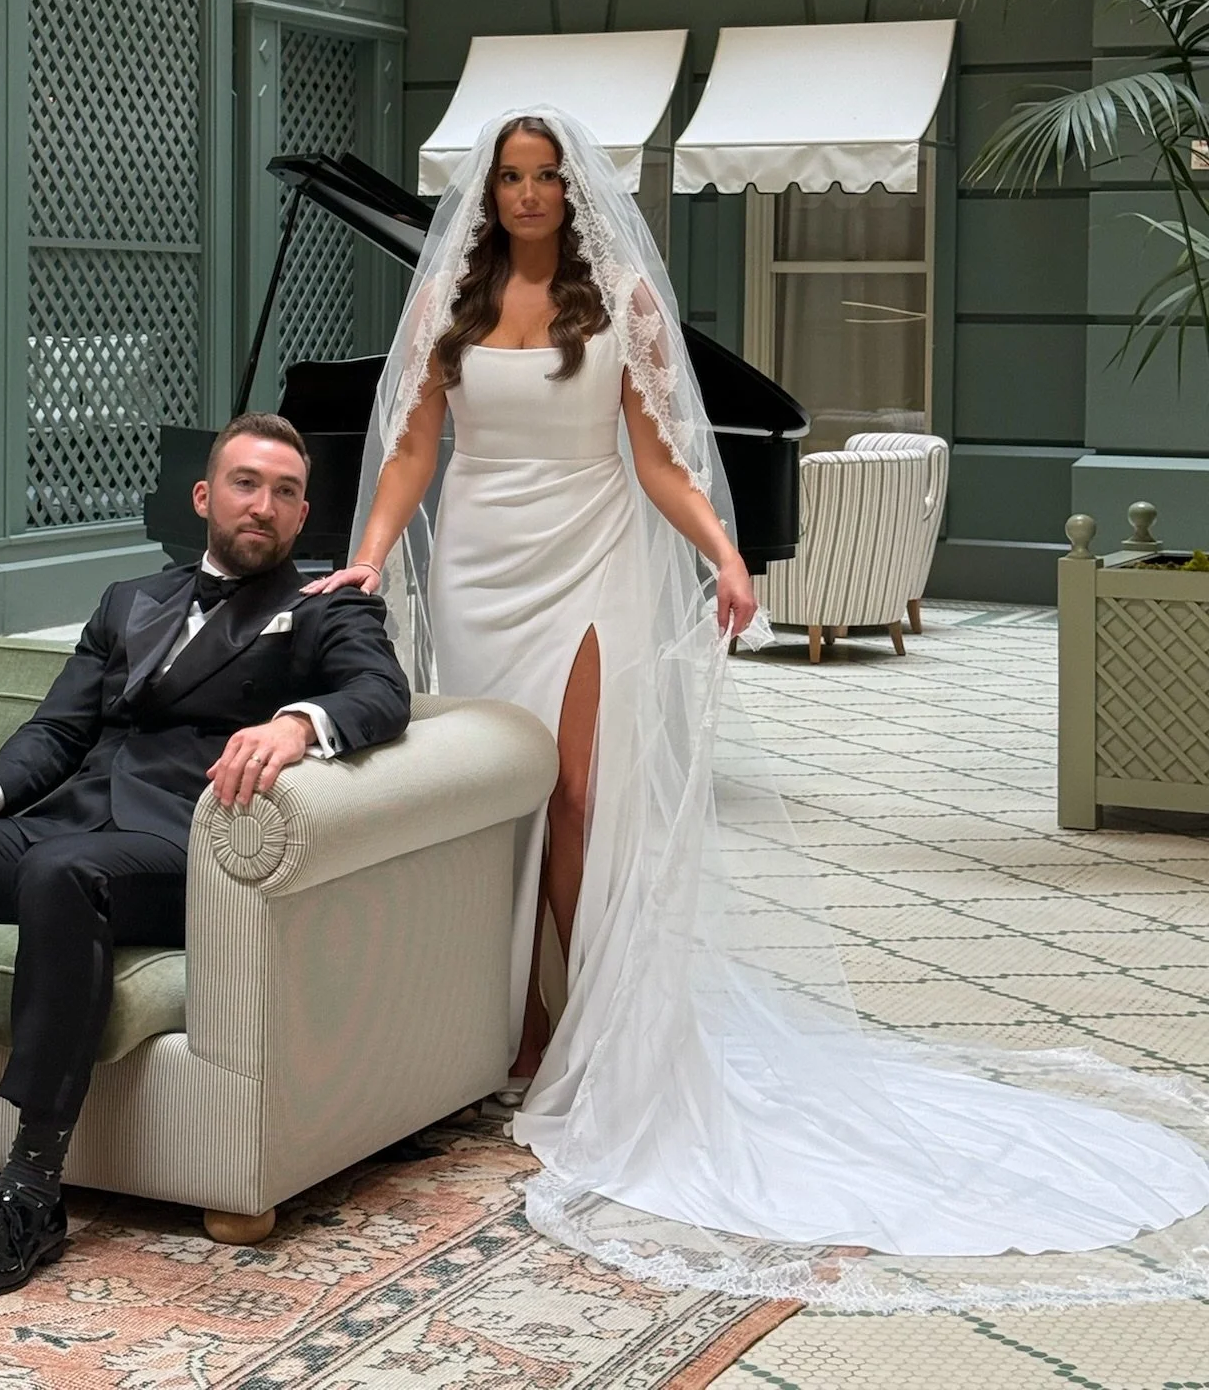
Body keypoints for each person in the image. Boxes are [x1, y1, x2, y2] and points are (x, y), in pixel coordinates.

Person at [311, 109, 1209, 1312]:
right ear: (491, 192)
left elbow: (660, 454)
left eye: (545, 177)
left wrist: (727, 554)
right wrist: (371, 551)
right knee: (494, 805)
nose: (527, 194)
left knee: (575, 795)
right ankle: (505, 1030)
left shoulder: (618, 296)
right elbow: (414, 446)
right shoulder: (449, 305)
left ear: (574, 191)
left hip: (589, 560)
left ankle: (573, 1034)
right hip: (479, 563)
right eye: (511, 177)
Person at [0, 414, 409, 1303]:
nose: (265, 506)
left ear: (302, 513)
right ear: (205, 497)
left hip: (180, 846)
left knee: (63, 875)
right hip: (68, 823)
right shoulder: (129, 600)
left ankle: (31, 1192)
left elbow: (381, 693)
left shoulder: (324, 607)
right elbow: (58, 730)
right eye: (246, 483)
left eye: (285, 493)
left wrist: (298, 721)